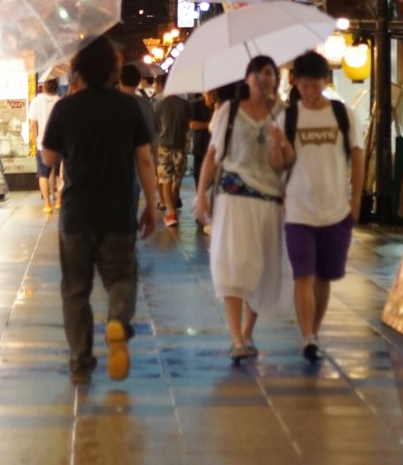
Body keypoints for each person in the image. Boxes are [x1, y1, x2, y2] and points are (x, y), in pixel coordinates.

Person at [41, 36, 157, 385]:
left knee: (75, 289)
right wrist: (152, 205)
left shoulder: (65, 108)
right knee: (121, 277)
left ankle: (80, 361)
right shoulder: (129, 108)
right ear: (113, 70)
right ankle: (118, 321)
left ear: (78, 72)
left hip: (77, 213)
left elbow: (48, 159)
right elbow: (145, 161)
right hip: (118, 210)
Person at [193, 55, 290, 362]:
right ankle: (236, 337)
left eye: (270, 74)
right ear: (247, 79)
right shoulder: (228, 111)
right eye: (259, 74)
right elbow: (212, 155)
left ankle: (248, 331)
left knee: (262, 269)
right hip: (234, 199)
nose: (265, 80)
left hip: (269, 200)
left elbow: (282, 164)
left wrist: (278, 144)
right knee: (233, 266)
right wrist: (201, 195)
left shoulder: (284, 114)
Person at [279, 49, 363, 365]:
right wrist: (277, 146)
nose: (311, 93)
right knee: (303, 274)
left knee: (324, 277)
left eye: (317, 86)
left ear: (326, 82)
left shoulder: (343, 115)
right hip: (298, 210)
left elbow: (357, 155)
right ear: (295, 82)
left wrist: (355, 201)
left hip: (335, 210)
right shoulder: (287, 117)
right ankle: (307, 337)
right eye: (305, 87)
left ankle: (314, 330)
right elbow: (278, 164)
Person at [119, 62, 159, 221]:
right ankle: (128, 236)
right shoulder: (145, 105)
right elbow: (153, 135)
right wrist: (154, 158)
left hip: (112, 162)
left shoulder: (110, 103)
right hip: (137, 162)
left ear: (119, 81)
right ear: (137, 82)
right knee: (132, 198)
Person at [155, 91, 191, 228]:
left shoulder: (160, 105)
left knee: (165, 181)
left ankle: (171, 213)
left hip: (164, 146)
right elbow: (187, 127)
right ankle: (173, 209)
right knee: (176, 182)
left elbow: (157, 127)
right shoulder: (186, 105)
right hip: (180, 146)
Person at [27, 77, 61, 212]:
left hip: (43, 143)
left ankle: (47, 204)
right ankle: (58, 200)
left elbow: (32, 123)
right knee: (59, 174)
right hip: (59, 144)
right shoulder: (60, 101)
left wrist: (36, 139)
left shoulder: (36, 101)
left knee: (43, 174)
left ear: (44, 86)